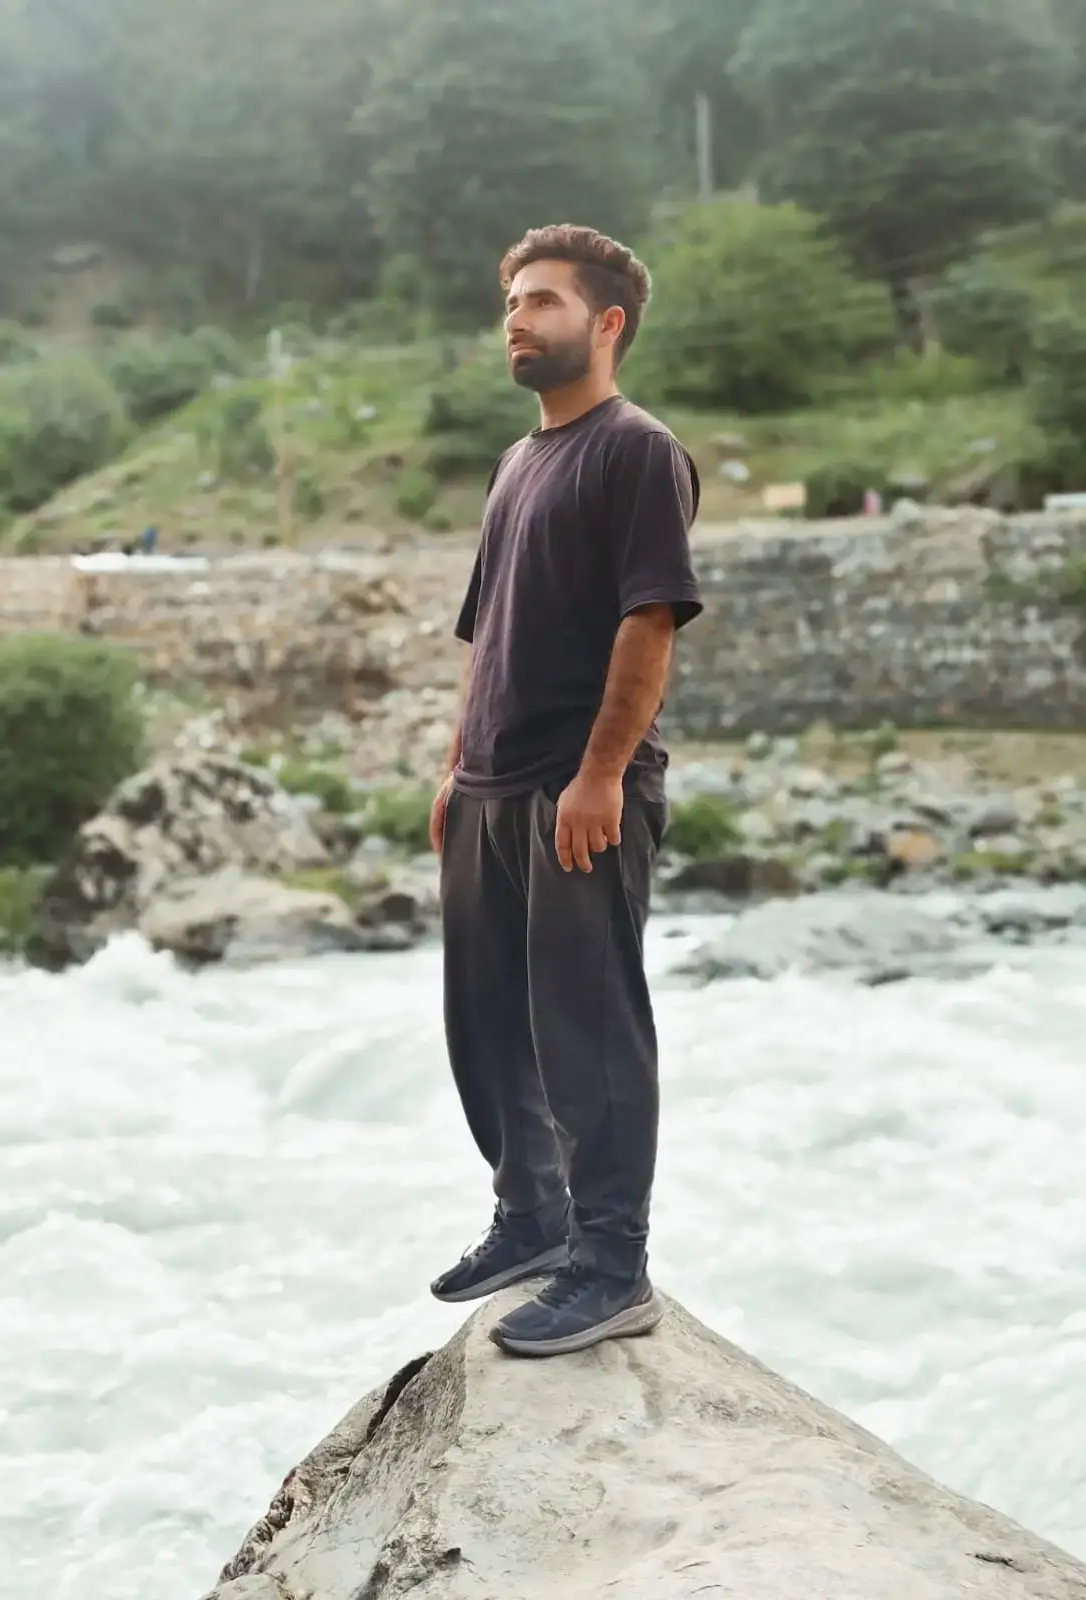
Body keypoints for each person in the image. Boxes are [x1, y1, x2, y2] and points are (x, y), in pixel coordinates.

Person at [428, 224, 704, 1358]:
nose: (517, 318)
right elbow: (484, 632)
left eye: (542, 300)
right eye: (511, 301)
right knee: (487, 1027)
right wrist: (455, 769)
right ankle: (532, 1218)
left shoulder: (637, 452)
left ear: (606, 324)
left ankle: (610, 1265)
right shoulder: (516, 461)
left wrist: (598, 776)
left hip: (576, 790)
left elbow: (650, 624)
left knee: (585, 1030)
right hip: (490, 789)